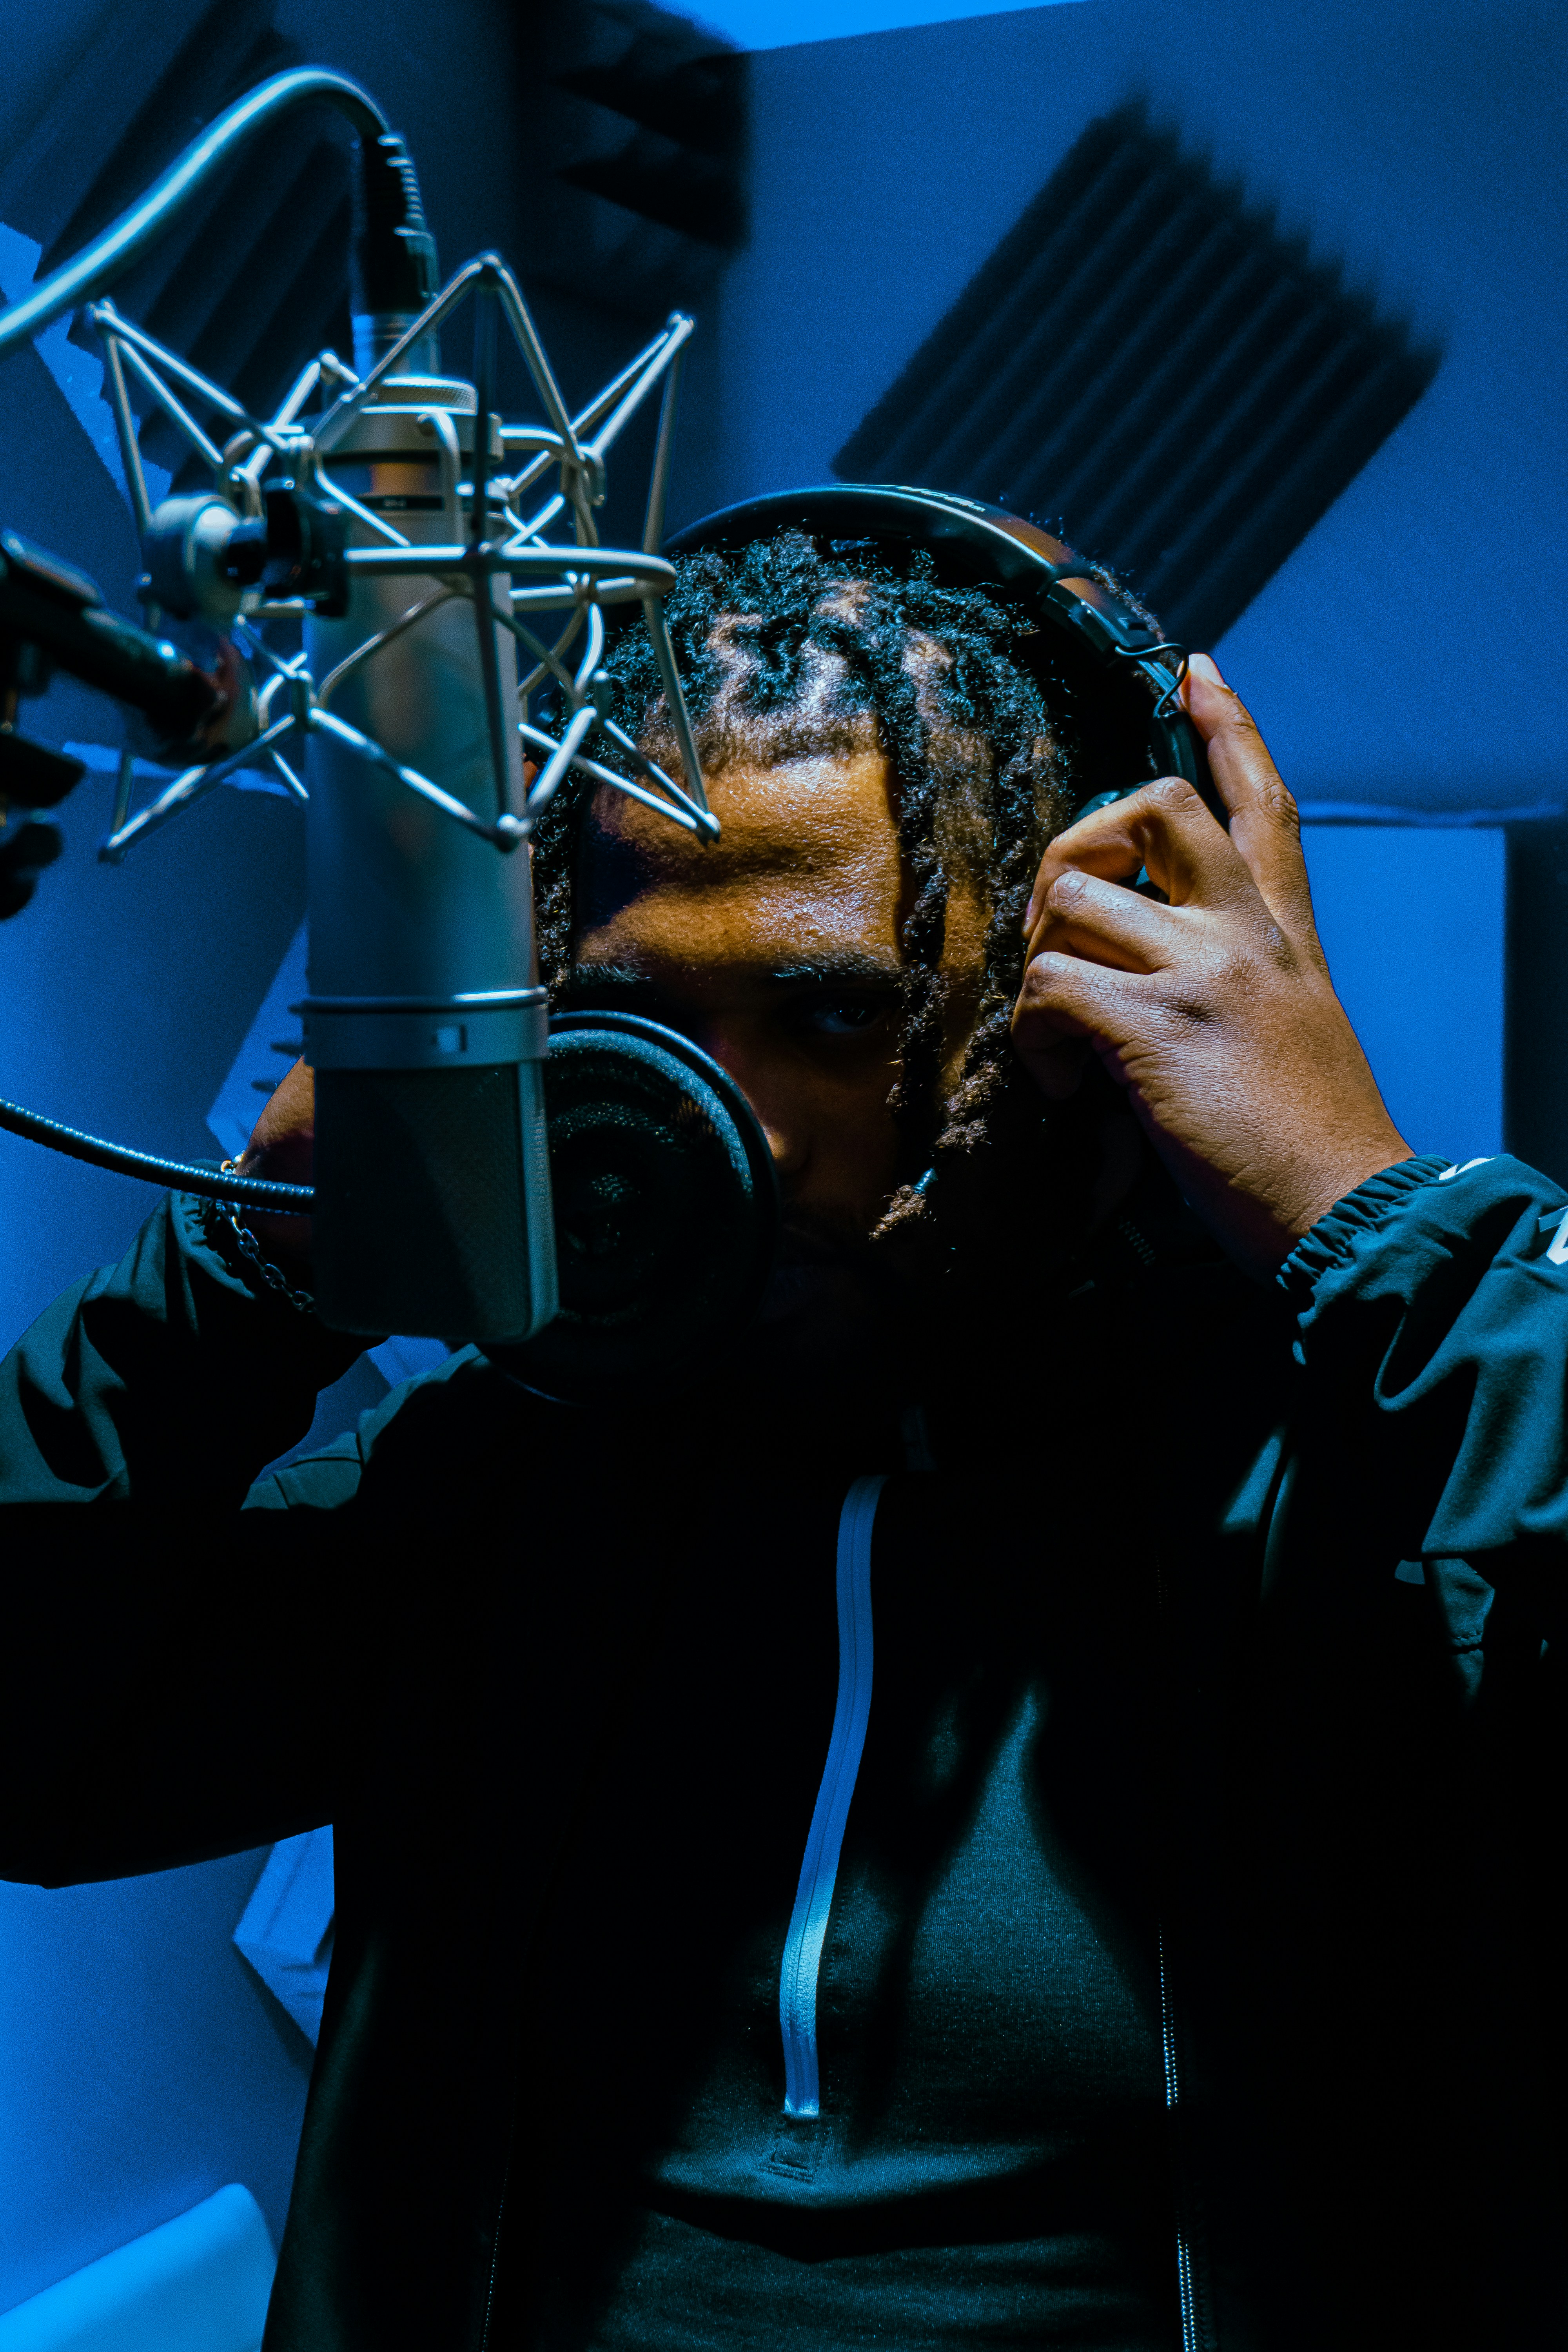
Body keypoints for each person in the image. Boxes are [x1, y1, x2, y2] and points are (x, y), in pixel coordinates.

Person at [0, 519, 1564, 2352]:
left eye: (837, 1014)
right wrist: (248, 1267)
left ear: (1098, 997)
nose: (720, 1138)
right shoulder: (497, 1490)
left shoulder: (1345, 1512)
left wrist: (1366, 1215)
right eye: (643, 1026)